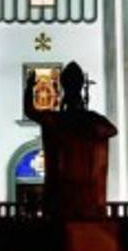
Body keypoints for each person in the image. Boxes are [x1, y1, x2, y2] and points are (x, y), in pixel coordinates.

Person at [24, 62, 118, 220]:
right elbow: (111, 130)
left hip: (65, 188)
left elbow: (30, 111)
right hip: (82, 190)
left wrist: (29, 89)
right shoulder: (91, 119)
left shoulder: (57, 120)